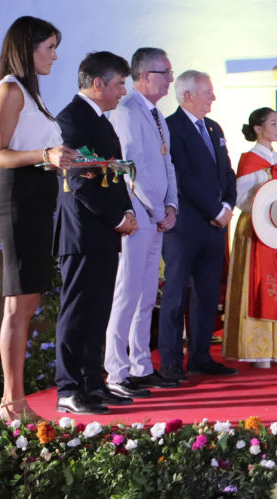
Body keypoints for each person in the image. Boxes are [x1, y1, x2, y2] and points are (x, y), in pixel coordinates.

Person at [0, 17, 77, 421]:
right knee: (17, 304)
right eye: (49, 47)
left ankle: (15, 399)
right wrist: (46, 156)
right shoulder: (9, 88)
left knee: (27, 302)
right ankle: (13, 402)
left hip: (38, 201)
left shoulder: (30, 93)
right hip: (18, 201)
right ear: (28, 47)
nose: (55, 56)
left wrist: (73, 163)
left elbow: (41, 151)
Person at [54, 51, 139, 415]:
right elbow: (80, 178)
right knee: (77, 311)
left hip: (104, 228)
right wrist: (116, 217)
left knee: (98, 308)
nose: (123, 91)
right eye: (119, 83)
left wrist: (127, 211)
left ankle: (92, 381)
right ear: (98, 83)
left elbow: (115, 173)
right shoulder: (71, 119)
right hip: (81, 229)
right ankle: (68, 388)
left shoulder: (102, 120)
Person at [103, 48, 180, 398]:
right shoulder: (127, 109)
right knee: (128, 293)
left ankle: (140, 366)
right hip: (136, 214)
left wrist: (171, 204)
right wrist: (154, 208)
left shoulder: (157, 115)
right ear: (145, 75)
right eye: (165, 72)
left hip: (156, 215)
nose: (170, 79)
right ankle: (116, 372)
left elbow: (167, 166)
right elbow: (130, 166)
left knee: (148, 293)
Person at [160, 70, 238, 381]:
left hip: (215, 227)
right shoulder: (170, 127)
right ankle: (169, 362)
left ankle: (201, 357)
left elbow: (227, 172)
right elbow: (180, 177)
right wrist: (214, 209)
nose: (213, 98)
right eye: (208, 92)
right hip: (184, 226)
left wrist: (228, 206)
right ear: (188, 95)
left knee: (207, 296)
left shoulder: (214, 127)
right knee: (176, 294)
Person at [223, 108, 277, 368]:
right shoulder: (249, 160)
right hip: (257, 230)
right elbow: (238, 199)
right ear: (258, 129)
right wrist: (262, 199)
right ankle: (258, 347)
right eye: (272, 123)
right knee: (260, 284)